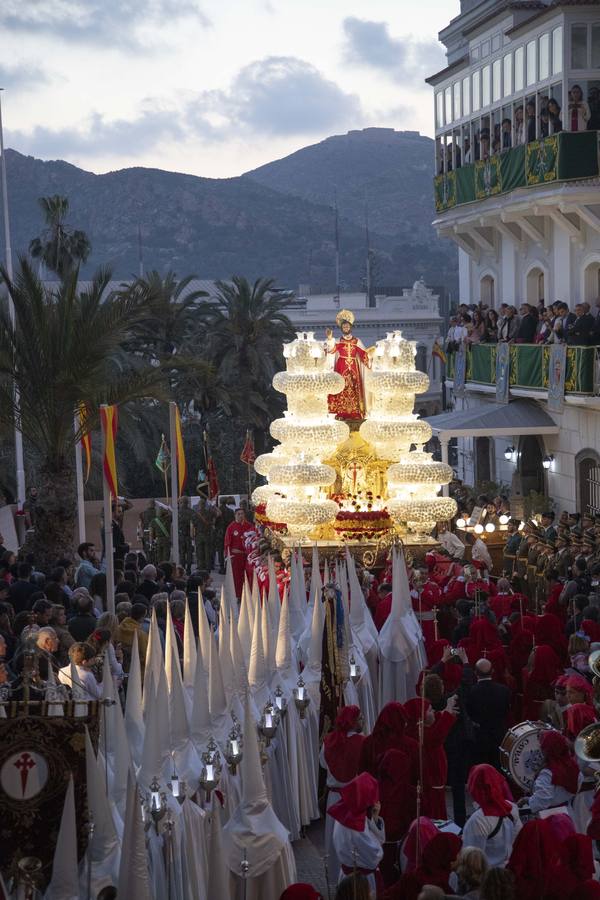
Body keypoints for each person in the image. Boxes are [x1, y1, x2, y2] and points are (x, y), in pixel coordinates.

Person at [320, 706, 366, 883]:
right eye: (359, 718)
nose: (362, 720)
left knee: (334, 842)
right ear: (353, 722)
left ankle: (334, 880)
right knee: (352, 842)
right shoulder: (362, 742)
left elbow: (323, 764)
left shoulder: (328, 741)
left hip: (334, 799)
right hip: (353, 798)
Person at [329, 772, 385, 897]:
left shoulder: (345, 811)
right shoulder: (355, 825)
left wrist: (375, 819)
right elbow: (374, 857)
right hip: (361, 882)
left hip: (347, 876)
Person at [404, 696, 458, 819]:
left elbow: (437, 721)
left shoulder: (424, 728)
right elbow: (436, 736)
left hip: (436, 785)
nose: (433, 711)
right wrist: (448, 712)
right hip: (430, 786)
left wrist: (446, 711)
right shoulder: (417, 734)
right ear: (420, 717)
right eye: (429, 710)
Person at [462, 765, 521, 867]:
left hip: (488, 877)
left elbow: (471, 861)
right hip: (508, 871)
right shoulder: (511, 808)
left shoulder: (478, 820)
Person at [325, 309, 372, 421]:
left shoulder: (357, 341)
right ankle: (341, 411)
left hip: (354, 369)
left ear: (351, 327)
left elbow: (364, 355)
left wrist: (371, 356)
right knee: (341, 387)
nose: (346, 328)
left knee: (355, 389)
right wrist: (330, 338)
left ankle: (355, 412)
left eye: (347, 326)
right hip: (341, 368)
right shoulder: (338, 341)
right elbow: (331, 350)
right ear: (341, 328)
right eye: (344, 327)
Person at [466, 659, 511, 768]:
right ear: (492, 671)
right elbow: (506, 711)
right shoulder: (504, 690)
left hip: (479, 738)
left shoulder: (471, 692)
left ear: (475, 673)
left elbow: (469, 713)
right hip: (499, 736)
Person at [521, 730, 578, 815]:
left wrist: (527, 800)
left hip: (552, 818)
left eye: (542, 746)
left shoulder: (548, 773)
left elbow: (541, 802)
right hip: (570, 813)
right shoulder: (573, 765)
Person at [224, 508, 254, 598]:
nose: (241, 516)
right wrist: (228, 556)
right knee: (237, 577)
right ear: (235, 515)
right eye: (239, 514)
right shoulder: (231, 527)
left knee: (247, 575)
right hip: (236, 557)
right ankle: (238, 595)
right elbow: (227, 543)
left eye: (242, 514)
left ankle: (248, 594)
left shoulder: (249, 526)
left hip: (246, 556)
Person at [193, 497, 215, 572]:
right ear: (205, 505)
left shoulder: (196, 514)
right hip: (207, 535)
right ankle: (208, 567)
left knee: (199, 552)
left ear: (199, 505)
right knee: (207, 552)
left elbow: (193, 524)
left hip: (199, 535)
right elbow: (217, 516)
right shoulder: (209, 512)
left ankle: (200, 567)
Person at [214, 498, 235, 574]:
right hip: (228, 532)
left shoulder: (217, 511)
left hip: (219, 534)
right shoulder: (231, 511)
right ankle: (228, 566)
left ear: (220, 502)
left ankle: (221, 567)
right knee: (228, 550)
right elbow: (233, 523)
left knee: (220, 551)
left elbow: (214, 523)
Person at [178, 496, 194, 573]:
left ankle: (183, 568)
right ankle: (189, 569)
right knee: (189, 552)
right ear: (187, 502)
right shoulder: (191, 512)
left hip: (181, 535)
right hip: (188, 536)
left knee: (182, 552)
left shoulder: (177, 512)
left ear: (181, 502)